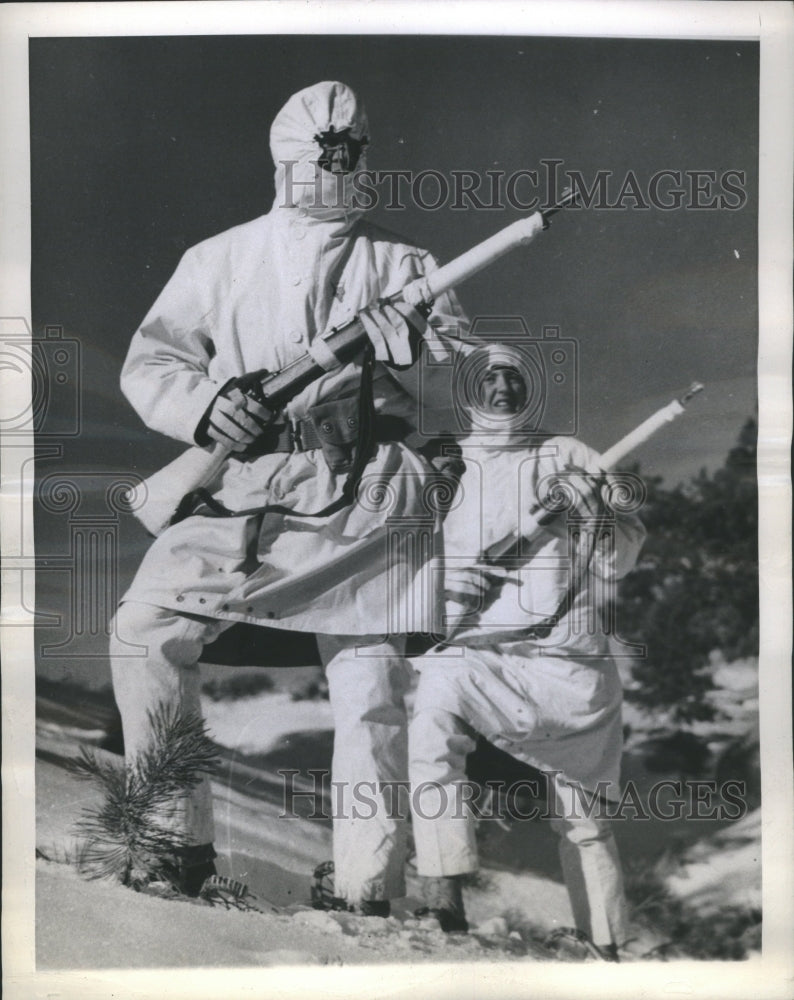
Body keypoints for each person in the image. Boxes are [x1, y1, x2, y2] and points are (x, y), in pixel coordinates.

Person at [111, 81, 468, 911]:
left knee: (369, 684)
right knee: (145, 626)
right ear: (289, 160)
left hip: (373, 488)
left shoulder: (408, 264)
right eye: (326, 152)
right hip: (249, 482)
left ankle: (364, 887)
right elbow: (152, 365)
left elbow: (465, 380)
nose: (343, 165)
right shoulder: (217, 259)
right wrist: (209, 406)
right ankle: (172, 844)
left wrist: (413, 353)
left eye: (354, 151)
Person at [408, 343, 647, 956]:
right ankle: (444, 900)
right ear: (467, 391)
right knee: (432, 702)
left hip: (567, 661)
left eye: (514, 377)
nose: (503, 388)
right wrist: (442, 591)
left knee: (584, 816)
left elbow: (619, 560)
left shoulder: (569, 453)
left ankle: (607, 946)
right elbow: (407, 555)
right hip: (479, 652)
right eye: (489, 378)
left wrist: (596, 512)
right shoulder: (445, 462)